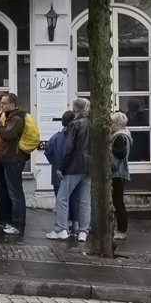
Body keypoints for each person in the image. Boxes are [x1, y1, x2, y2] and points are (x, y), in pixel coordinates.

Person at [51, 98, 92, 242]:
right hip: (90, 166)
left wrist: (60, 167)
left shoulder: (74, 125)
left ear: (74, 109)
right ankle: (83, 231)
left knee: (62, 198)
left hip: (74, 166)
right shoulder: (93, 123)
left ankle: (61, 229)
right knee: (85, 201)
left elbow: (68, 149)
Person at [0, 93, 26, 238]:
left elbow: (7, 134)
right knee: (9, 192)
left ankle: (17, 224)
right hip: (8, 158)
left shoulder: (15, 118)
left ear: (13, 104)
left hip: (13, 159)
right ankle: (11, 222)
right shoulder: (11, 117)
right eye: (1, 103)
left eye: (4, 103)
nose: (1, 106)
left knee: (15, 194)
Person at [108, 111, 133, 237]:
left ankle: (121, 230)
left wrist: (109, 147)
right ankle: (121, 229)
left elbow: (121, 153)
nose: (111, 126)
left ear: (117, 124)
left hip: (118, 172)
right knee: (118, 201)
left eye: (112, 123)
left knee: (118, 202)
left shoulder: (119, 137)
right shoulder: (126, 135)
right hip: (122, 172)